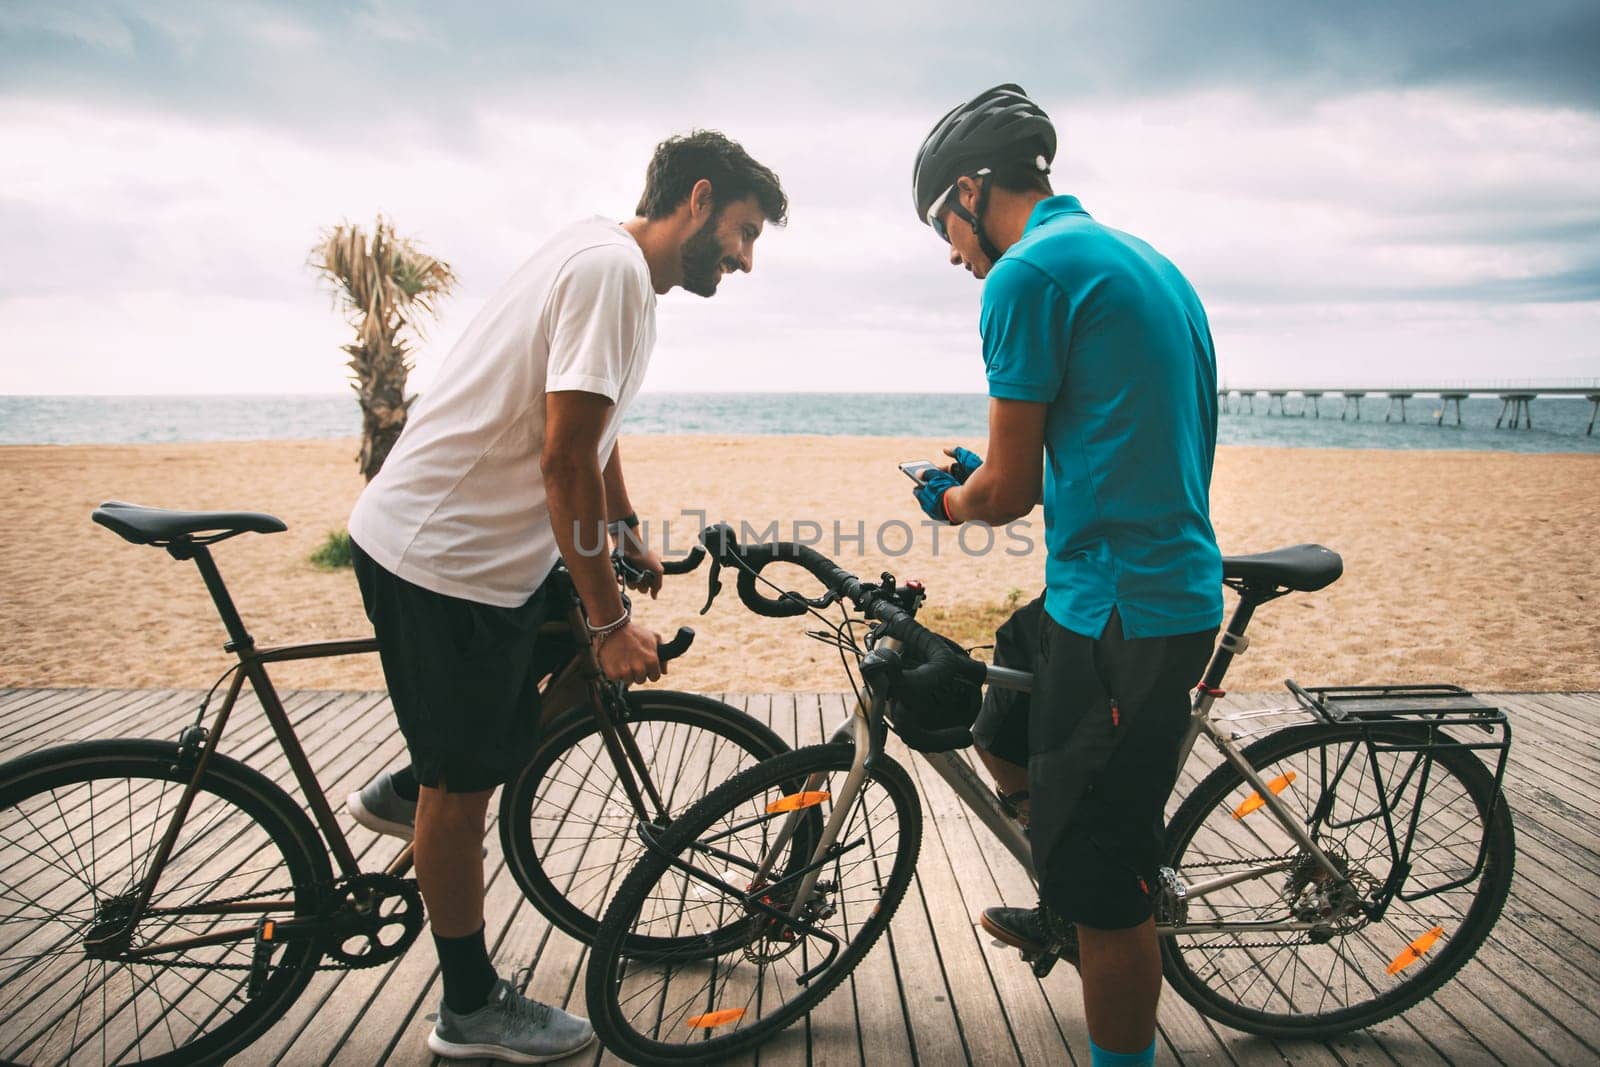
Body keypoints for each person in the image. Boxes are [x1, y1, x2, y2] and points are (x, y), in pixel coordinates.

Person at [343, 131, 786, 1063]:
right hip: (447, 559)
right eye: (744, 231)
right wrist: (611, 619)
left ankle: (419, 776)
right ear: (697, 200)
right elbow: (558, 459)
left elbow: (587, 422)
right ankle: (469, 1007)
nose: (746, 259)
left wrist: (620, 525)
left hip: (477, 552)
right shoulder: (612, 274)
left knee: (568, 661)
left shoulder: (613, 262)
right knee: (465, 796)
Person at [909, 85, 1222, 1067]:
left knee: (1105, 883)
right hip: (1106, 586)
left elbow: (1003, 494)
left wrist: (950, 499)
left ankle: (1096, 906)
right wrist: (1002, 478)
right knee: (997, 718)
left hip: (1126, 612)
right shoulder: (1147, 261)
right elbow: (1104, 445)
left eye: (942, 228)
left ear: (971, 189)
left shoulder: (1026, 277)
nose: (952, 256)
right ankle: (1075, 888)